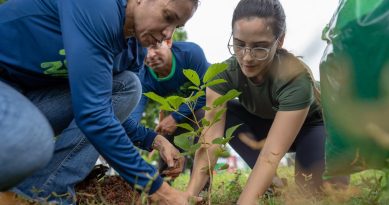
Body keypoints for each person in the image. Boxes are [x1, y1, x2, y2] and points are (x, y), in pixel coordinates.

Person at [0, 0, 200, 204]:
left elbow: (106, 112)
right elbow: (94, 114)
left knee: (128, 86)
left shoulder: (133, 52)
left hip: (25, 98)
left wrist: (154, 140)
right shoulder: (97, 6)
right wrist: (160, 190)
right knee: (32, 140)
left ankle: (43, 191)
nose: (168, 34)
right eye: (168, 17)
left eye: (177, 26)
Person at [186, 0, 348, 204]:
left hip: (314, 125)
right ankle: (271, 183)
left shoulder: (295, 79)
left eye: (260, 47)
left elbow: (270, 155)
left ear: (279, 41)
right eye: (239, 44)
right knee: (204, 114)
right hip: (267, 123)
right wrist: (187, 197)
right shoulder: (222, 75)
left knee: (318, 193)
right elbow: (210, 142)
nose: (247, 57)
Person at [126, 38, 209, 174]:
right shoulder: (142, 77)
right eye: (143, 50)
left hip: (204, 107)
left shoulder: (190, 53)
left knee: (201, 115)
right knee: (164, 132)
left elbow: (207, 91)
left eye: (155, 46)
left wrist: (175, 117)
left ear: (168, 42)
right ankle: (165, 181)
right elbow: (131, 118)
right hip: (176, 111)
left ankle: (202, 186)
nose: (149, 55)